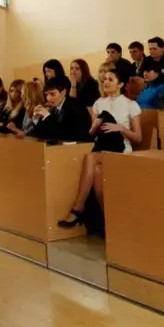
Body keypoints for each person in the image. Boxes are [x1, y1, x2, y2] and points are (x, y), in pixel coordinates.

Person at [57, 69, 143, 228]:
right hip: (103, 146)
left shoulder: (131, 105)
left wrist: (121, 128)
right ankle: (109, 221)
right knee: (97, 172)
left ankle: (78, 207)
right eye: (104, 79)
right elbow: (91, 134)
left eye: (110, 79)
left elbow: (138, 137)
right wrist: (95, 125)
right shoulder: (98, 103)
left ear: (120, 84)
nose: (106, 82)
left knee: (91, 157)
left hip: (122, 149)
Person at [31, 76, 93, 142]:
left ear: (63, 92)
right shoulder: (53, 109)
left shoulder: (75, 106)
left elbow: (64, 135)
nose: (48, 98)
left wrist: (47, 116)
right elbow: (41, 135)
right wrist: (36, 119)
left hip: (80, 145)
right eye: (46, 95)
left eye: (52, 94)